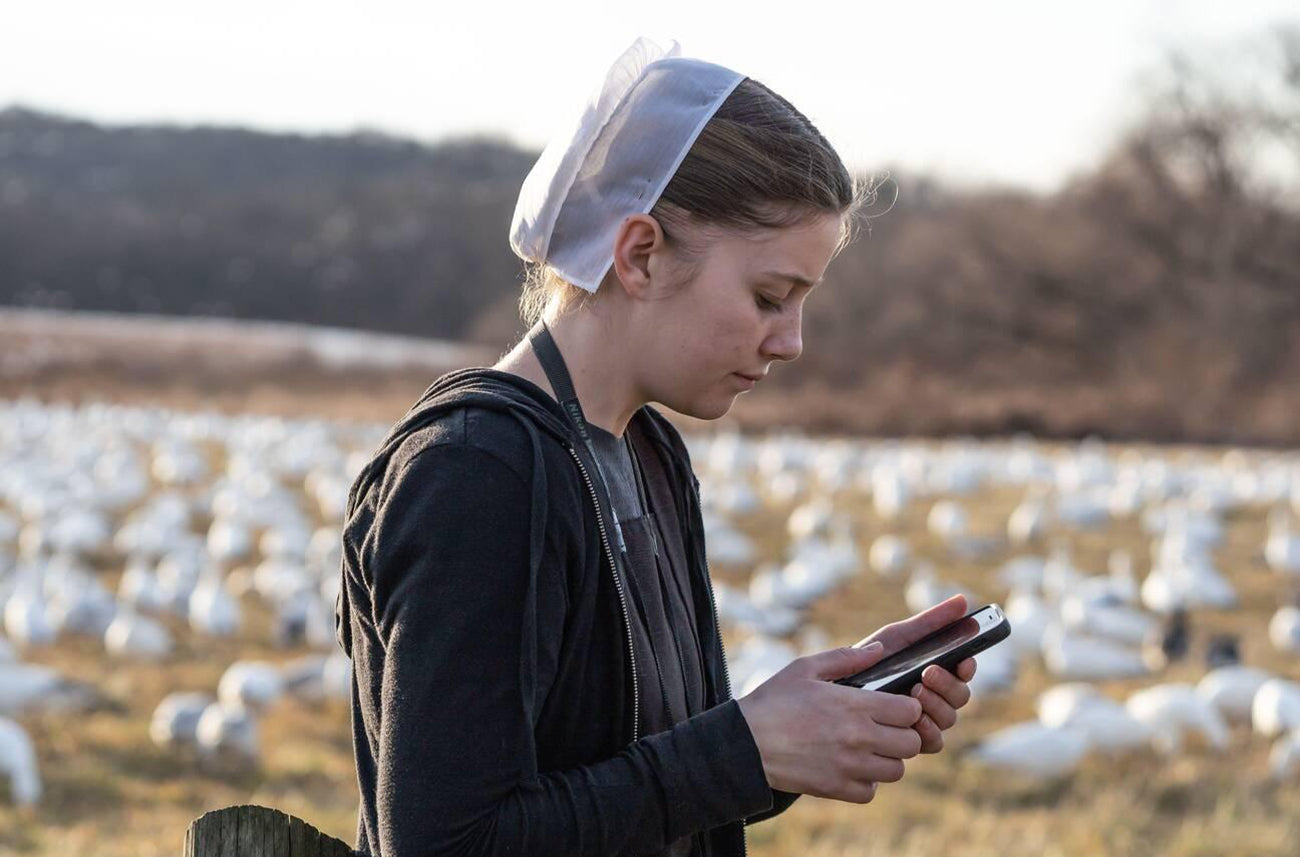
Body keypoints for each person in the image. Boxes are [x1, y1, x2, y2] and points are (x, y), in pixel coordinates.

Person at [335, 38, 977, 857]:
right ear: (639, 254)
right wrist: (743, 747)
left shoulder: (649, 452)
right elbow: (447, 841)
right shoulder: (473, 473)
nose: (792, 341)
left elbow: (647, 786)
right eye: (770, 296)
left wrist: (804, 727)